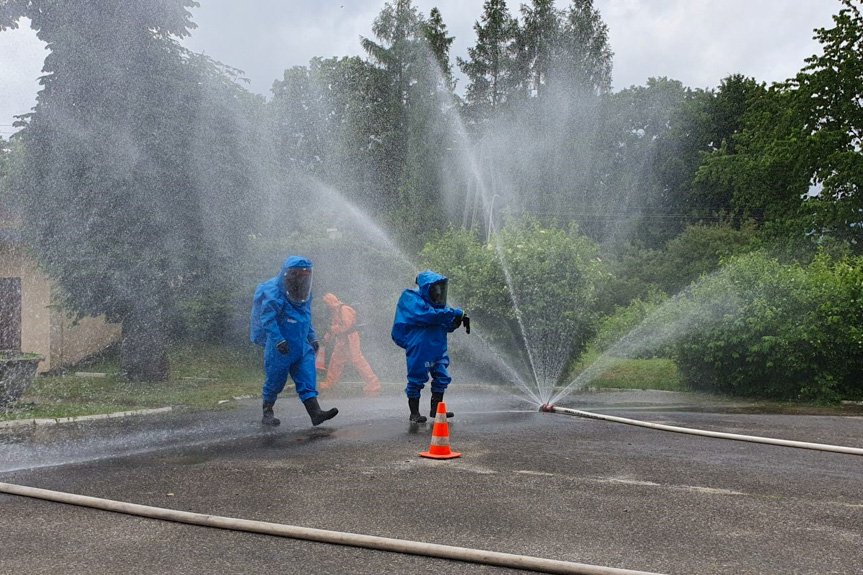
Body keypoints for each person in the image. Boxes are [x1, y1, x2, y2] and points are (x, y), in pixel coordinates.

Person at [250, 256, 338, 427]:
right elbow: (268, 319)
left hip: (301, 344)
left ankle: (315, 413)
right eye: (299, 275)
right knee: (275, 378)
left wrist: (312, 338)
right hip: (281, 345)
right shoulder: (275, 293)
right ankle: (267, 412)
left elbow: (306, 318)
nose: (303, 278)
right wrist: (278, 340)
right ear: (289, 275)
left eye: (306, 275)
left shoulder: (304, 294)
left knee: (307, 375)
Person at [391, 270, 470, 423]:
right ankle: (414, 413)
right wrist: (456, 312)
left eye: (441, 288)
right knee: (416, 378)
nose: (439, 292)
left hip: (438, 345)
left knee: (442, 376)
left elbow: (443, 322)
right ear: (427, 288)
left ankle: (436, 410)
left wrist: (456, 321)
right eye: (436, 288)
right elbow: (428, 316)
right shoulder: (410, 297)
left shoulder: (438, 305)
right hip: (419, 345)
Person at [320, 293, 382, 396]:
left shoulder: (344, 309)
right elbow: (334, 325)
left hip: (350, 338)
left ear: (330, 302)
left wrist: (332, 330)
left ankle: (373, 384)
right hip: (342, 340)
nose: (326, 306)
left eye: (326, 303)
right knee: (335, 361)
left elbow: (346, 326)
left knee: (358, 360)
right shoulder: (334, 311)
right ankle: (330, 384)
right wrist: (328, 335)